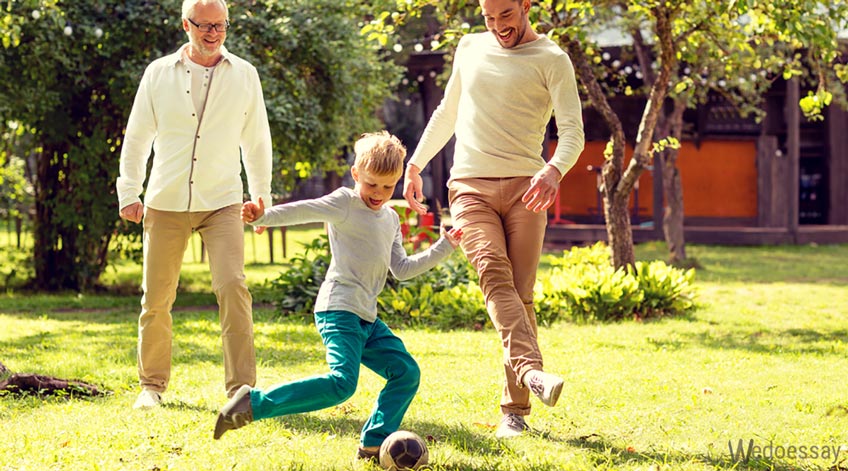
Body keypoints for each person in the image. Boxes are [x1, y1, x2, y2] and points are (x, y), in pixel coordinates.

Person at [213, 131, 462, 462]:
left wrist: (444, 247)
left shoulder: (390, 218)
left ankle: (373, 443)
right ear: (356, 173)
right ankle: (253, 403)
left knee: (406, 372)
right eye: (372, 184)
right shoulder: (345, 202)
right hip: (338, 310)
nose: (379, 194)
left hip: (367, 319)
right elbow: (306, 210)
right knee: (342, 384)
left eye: (388, 187)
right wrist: (263, 216)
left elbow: (401, 268)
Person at [402, 0, 585, 438]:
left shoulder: (552, 59)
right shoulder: (470, 47)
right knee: (493, 276)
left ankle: (514, 413)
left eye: (506, 14)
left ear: (525, 6)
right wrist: (416, 163)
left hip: (527, 188)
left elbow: (574, 132)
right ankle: (532, 373)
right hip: (469, 186)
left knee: (520, 296)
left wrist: (553, 169)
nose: (498, 25)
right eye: (489, 17)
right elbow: (447, 112)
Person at [116, 0, 272, 409]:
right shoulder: (157, 74)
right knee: (157, 297)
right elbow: (137, 138)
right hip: (166, 200)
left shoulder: (245, 76)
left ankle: (241, 389)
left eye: (220, 25)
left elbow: (256, 140)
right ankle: (151, 387)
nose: (213, 33)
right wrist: (129, 192)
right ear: (186, 24)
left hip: (222, 200)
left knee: (233, 287)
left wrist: (262, 196)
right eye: (204, 26)